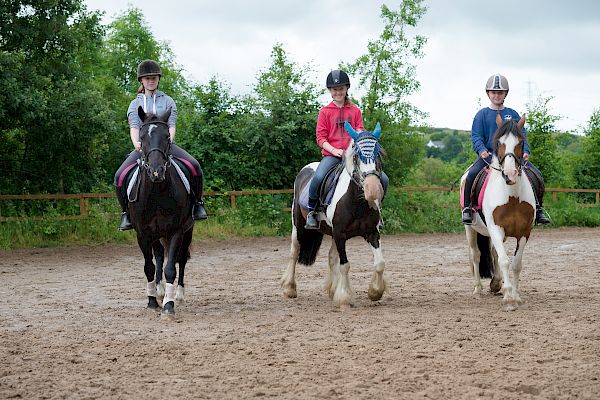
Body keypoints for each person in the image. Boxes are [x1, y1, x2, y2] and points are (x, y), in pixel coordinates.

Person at [114, 59, 208, 231]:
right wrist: (137, 144)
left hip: (165, 145)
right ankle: (126, 214)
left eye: (154, 78)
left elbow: (171, 125)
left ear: (158, 79)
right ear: (141, 81)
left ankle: (198, 204)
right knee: (119, 176)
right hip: (144, 148)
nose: (151, 81)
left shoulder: (168, 101)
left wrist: (169, 140)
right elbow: (134, 127)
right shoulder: (135, 104)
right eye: (147, 78)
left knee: (195, 166)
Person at [304, 69, 389, 229]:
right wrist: (334, 150)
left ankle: (377, 211)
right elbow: (321, 138)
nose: (338, 92)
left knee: (383, 179)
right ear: (330, 91)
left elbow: (360, 132)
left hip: (354, 156)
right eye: (335, 89)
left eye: (341, 88)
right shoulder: (325, 112)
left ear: (346, 89)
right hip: (333, 155)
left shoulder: (355, 111)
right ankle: (312, 212)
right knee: (318, 178)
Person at [461, 73, 550, 225]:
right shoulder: (481, 115)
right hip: (489, 156)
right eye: (494, 92)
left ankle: (538, 208)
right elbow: (476, 136)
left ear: (505, 94)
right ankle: (468, 209)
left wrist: (526, 151)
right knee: (471, 175)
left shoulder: (513, 114)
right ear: (488, 93)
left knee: (536, 175)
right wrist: (481, 150)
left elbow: (522, 136)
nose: (497, 95)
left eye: (500, 92)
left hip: (512, 156)